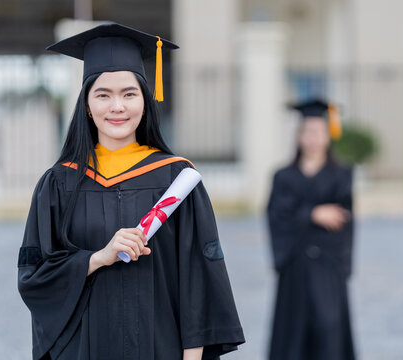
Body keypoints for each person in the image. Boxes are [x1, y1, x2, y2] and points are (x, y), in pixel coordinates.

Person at [17, 23, 244, 360]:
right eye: (103, 94)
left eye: (129, 93)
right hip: (83, 350)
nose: (117, 107)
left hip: (160, 348)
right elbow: (34, 277)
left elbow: (200, 278)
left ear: (145, 100)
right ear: (87, 105)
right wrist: (97, 258)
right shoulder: (59, 183)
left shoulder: (176, 179)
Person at [266, 99, 355, 360]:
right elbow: (277, 218)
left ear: (328, 136)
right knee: (293, 336)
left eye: (318, 132)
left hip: (329, 267)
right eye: (307, 132)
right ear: (298, 136)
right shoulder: (283, 177)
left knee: (329, 331)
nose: (313, 138)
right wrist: (313, 214)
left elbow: (345, 222)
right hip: (295, 267)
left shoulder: (341, 175)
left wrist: (342, 264)